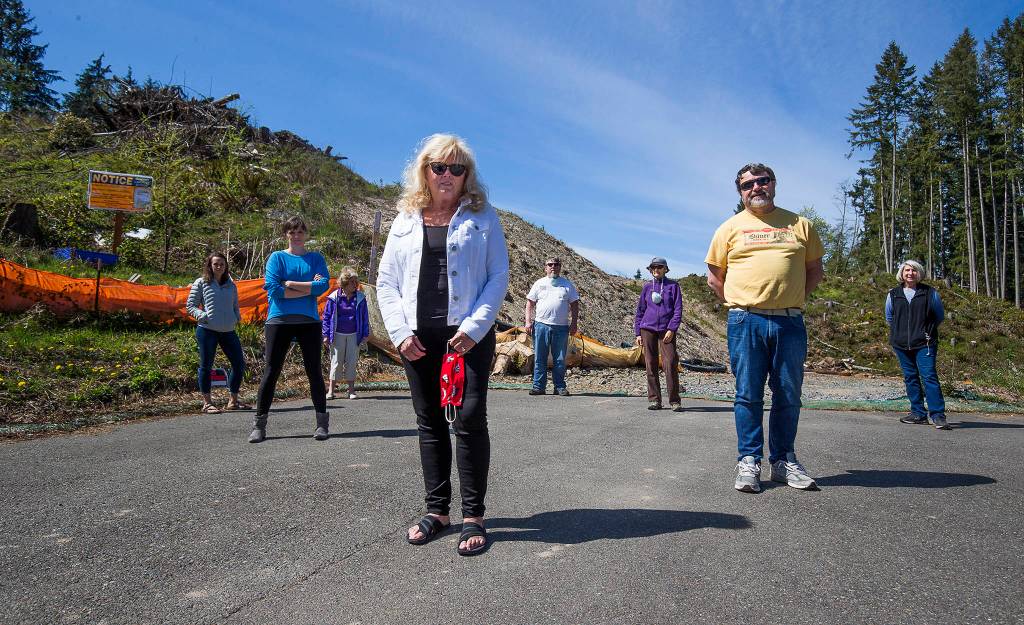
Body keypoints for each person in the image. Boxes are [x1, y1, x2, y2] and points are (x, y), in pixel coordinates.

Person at [377, 133, 509, 556]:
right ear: (425, 171)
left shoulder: (483, 217)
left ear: (467, 175)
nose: (447, 175)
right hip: (418, 336)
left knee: (469, 419)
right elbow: (386, 282)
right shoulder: (404, 219)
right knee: (430, 422)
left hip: (467, 337)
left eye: (456, 168)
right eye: (439, 167)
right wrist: (400, 333)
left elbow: (498, 276)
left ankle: (474, 516)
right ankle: (438, 511)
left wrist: (475, 327)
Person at [705, 163, 825, 493]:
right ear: (740, 192)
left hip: (789, 322)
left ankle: (783, 461)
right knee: (748, 392)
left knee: (788, 392)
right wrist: (742, 302)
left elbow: (815, 270)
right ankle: (749, 461)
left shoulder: (800, 225)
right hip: (746, 321)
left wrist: (791, 298)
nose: (756, 187)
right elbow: (715, 278)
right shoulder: (729, 228)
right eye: (748, 185)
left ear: (773, 184)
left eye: (762, 181)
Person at [249, 216, 331, 443]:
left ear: (306, 234)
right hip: (279, 320)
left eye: (300, 231)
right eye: (292, 232)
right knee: (271, 371)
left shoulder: (315, 258)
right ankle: (259, 425)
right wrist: (308, 288)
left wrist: (291, 283)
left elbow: (322, 287)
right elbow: (273, 289)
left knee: (314, 371)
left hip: (309, 321)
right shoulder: (277, 258)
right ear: (286, 234)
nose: (296, 236)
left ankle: (322, 424)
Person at [885, 260, 949, 430]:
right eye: (907, 270)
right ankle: (918, 413)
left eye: (914, 270)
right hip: (901, 344)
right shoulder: (893, 294)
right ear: (902, 273)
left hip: (924, 343)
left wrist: (925, 331)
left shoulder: (930, 293)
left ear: (919, 273)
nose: (910, 273)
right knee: (910, 377)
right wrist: (901, 333)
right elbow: (889, 317)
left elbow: (939, 316)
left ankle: (938, 416)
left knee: (929, 377)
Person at [186, 252, 249, 413]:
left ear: (226, 266)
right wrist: (203, 316)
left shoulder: (231, 285)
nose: (219, 266)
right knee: (206, 366)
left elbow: (235, 305)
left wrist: (236, 317)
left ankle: (233, 401)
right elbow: (190, 306)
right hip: (207, 330)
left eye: (222, 264)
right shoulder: (201, 283)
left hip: (228, 331)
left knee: (239, 364)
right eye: (215, 264)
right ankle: (207, 403)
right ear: (210, 266)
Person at [525, 256, 580, 396]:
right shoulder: (539, 283)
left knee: (559, 359)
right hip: (541, 325)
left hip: (561, 327)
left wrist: (574, 323)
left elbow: (574, 304)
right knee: (540, 357)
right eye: (550, 264)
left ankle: (559, 386)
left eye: (556, 264)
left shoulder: (567, 285)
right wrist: (528, 321)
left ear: (560, 267)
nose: (553, 267)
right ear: (545, 267)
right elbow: (530, 303)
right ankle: (538, 386)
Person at [634, 257, 683, 411]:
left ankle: (674, 401)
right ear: (651, 270)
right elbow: (640, 311)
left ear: (665, 269)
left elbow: (678, 310)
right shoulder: (647, 287)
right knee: (650, 363)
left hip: (666, 330)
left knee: (670, 362)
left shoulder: (673, 286)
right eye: (653, 267)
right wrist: (638, 333)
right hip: (647, 328)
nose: (656, 269)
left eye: (659, 267)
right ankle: (654, 400)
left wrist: (672, 329)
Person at [321, 267, 371, 400]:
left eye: (356, 281)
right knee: (336, 362)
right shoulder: (333, 297)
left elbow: (365, 317)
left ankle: (351, 391)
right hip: (337, 334)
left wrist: (365, 334)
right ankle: (331, 391)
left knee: (351, 362)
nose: (356, 284)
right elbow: (326, 317)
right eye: (352, 282)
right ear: (344, 283)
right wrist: (325, 335)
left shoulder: (360, 298)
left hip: (355, 335)